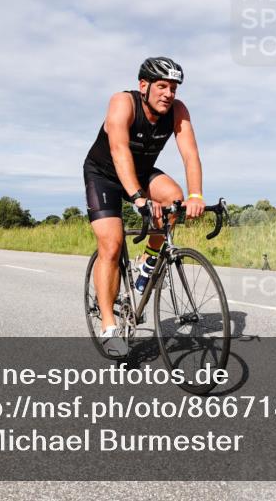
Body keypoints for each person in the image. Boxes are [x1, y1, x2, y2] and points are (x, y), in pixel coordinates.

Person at [83, 57, 206, 356]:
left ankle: (148, 262)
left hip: (140, 172)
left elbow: (190, 154)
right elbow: (118, 149)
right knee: (111, 246)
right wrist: (139, 198)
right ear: (144, 86)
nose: (168, 93)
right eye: (162, 86)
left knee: (173, 198)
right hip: (104, 175)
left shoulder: (178, 111)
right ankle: (109, 325)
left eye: (173, 88)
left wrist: (196, 196)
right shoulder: (123, 103)